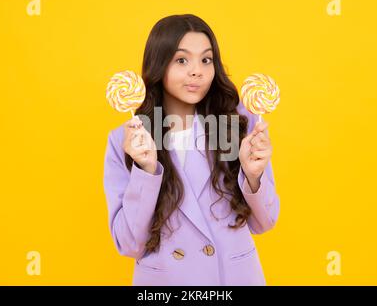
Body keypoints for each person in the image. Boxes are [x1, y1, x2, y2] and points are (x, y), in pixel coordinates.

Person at [103, 14, 280, 285]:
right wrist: (146, 172)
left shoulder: (240, 126)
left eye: (206, 59)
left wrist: (254, 176)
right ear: (159, 65)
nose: (197, 70)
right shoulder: (124, 142)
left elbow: (265, 223)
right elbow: (129, 244)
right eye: (182, 60)